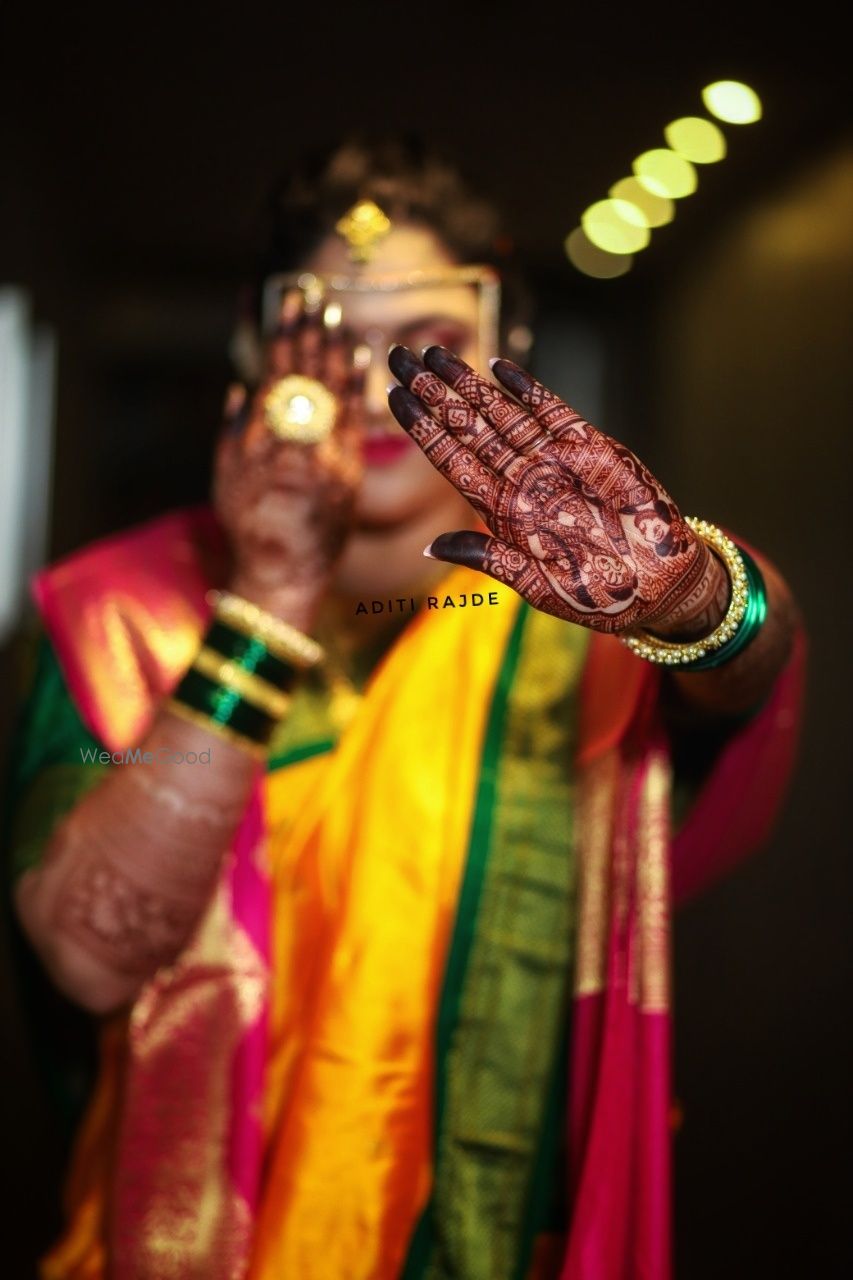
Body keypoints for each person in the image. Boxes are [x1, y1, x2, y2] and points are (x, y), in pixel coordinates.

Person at [6, 135, 806, 1280]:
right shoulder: (117, 614)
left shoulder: (578, 622)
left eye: (428, 347)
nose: (380, 386)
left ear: (504, 354)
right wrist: (268, 595)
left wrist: (694, 602)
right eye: (329, 338)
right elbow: (88, 956)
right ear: (256, 341)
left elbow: (750, 661)